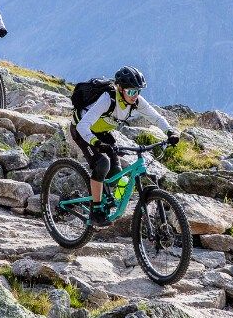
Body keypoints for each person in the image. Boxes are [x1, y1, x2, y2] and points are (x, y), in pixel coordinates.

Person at [71, 66, 180, 227]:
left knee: (116, 172)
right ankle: (96, 210)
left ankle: (103, 198)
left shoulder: (136, 101)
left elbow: (155, 117)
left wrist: (170, 132)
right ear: (120, 89)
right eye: (130, 92)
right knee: (103, 164)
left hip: (103, 132)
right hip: (82, 130)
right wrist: (97, 143)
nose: (134, 95)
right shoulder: (108, 99)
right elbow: (83, 126)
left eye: (137, 91)